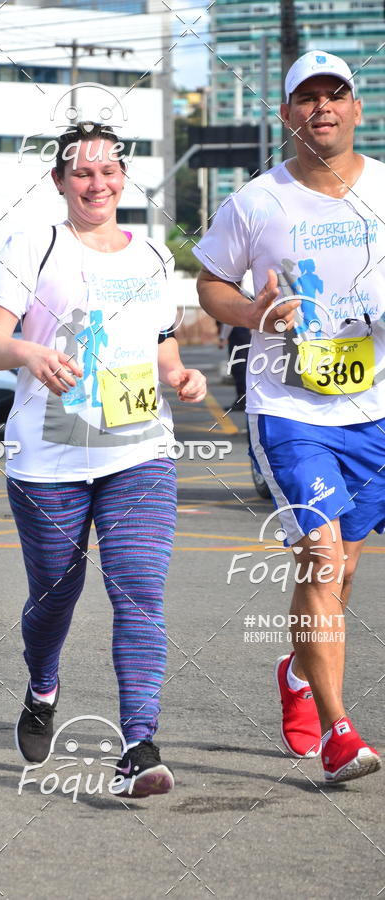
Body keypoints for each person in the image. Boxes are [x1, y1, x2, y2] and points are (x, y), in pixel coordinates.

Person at [0, 122, 207, 797]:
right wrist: (30, 352)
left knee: (138, 592)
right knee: (54, 597)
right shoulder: (32, 246)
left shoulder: (155, 257)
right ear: (60, 182)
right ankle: (42, 684)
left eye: (108, 171)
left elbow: (163, 353)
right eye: (82, 172)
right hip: (48, 458)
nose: (96, 183)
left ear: (123, 178)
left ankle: (139, 745)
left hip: (139, 453)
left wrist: (183, 378)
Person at [194, 50, 384, 783]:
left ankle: (300, 673)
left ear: (357, 109)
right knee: (322, 554)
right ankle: (340, 731)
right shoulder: (254, 203)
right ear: (287, 114)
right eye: (307, 97)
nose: (323, 108)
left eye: (336, 95)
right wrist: (254, 312)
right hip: (289, 407)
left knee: (346, 565)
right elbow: (211, 283)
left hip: (374, 409)